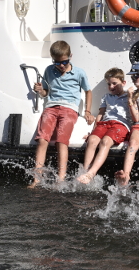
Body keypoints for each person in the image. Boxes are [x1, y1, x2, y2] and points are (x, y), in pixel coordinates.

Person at [31, 40, 95, 188]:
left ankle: (61, 179)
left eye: (64, 62)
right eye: (57, 62)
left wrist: (87, 111)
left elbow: (88, 91)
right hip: (51, 107)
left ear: (70, 56)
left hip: (69, 109)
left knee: (61, 141)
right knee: (42, 140)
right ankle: (37, 178)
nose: (61, 65)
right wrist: (40, 91)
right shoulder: (48, 70)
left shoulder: (79, 72)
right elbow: (46, 92)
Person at [77, 68, 132, 184]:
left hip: (120, 125)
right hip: (105, 123)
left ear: (123, 83)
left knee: (105, 141)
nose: (111, 86)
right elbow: (101, 114)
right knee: (92, 140)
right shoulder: (106, 97)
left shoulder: (129, 96)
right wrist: (92, 131)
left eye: (114, 83)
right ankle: (85, 171)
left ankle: (91, 174)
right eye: (109, 84)